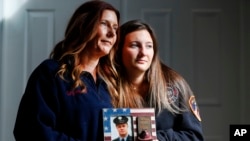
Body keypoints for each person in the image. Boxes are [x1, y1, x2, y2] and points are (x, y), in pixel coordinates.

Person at [13, 1, 120, 141]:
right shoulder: (51, 73)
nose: (112, 33)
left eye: (115, 28)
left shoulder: (110, 81)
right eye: (104, 24)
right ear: (83, 26)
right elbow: (30, 130)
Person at [106, 20, 204, 140]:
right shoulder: (105, 87)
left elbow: (195, 136)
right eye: (134, 45)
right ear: (118, 50)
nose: (143, 53)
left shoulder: (174, 85)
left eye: (149, 46)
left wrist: (159, 139)